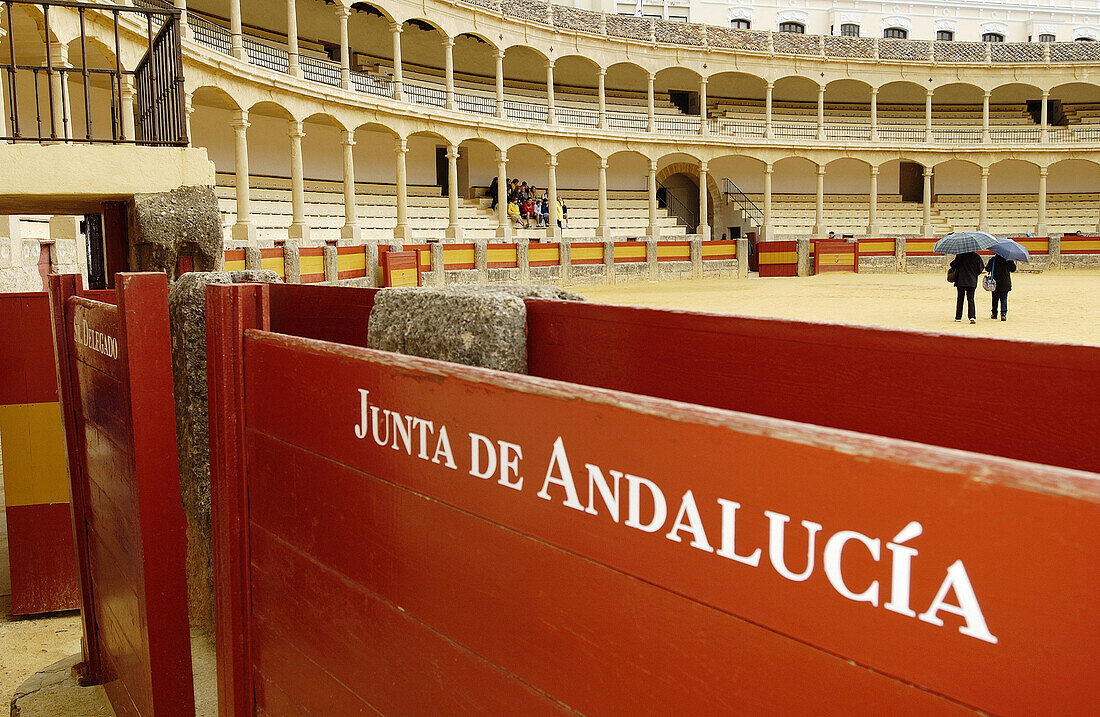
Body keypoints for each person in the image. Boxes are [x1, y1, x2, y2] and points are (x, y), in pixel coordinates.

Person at [949, 251, 985, 324]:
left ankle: (958, 317)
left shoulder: (960, 255)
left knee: (960, 299)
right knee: (970, 299)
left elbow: (952, 265)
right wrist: (974, 274)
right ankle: (972, 316)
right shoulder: (976, 256)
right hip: (972, 281)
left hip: (961, 280)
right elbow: (980, 269)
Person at [985, 254, 1016, 321]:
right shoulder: (1009, 260)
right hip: (1005, 283)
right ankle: (1003, 314)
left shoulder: (993, 260)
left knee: (995, 298)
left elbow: (987, 268)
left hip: (995, 282)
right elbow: (1013, 269)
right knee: (1004, 299)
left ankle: (994, 314)